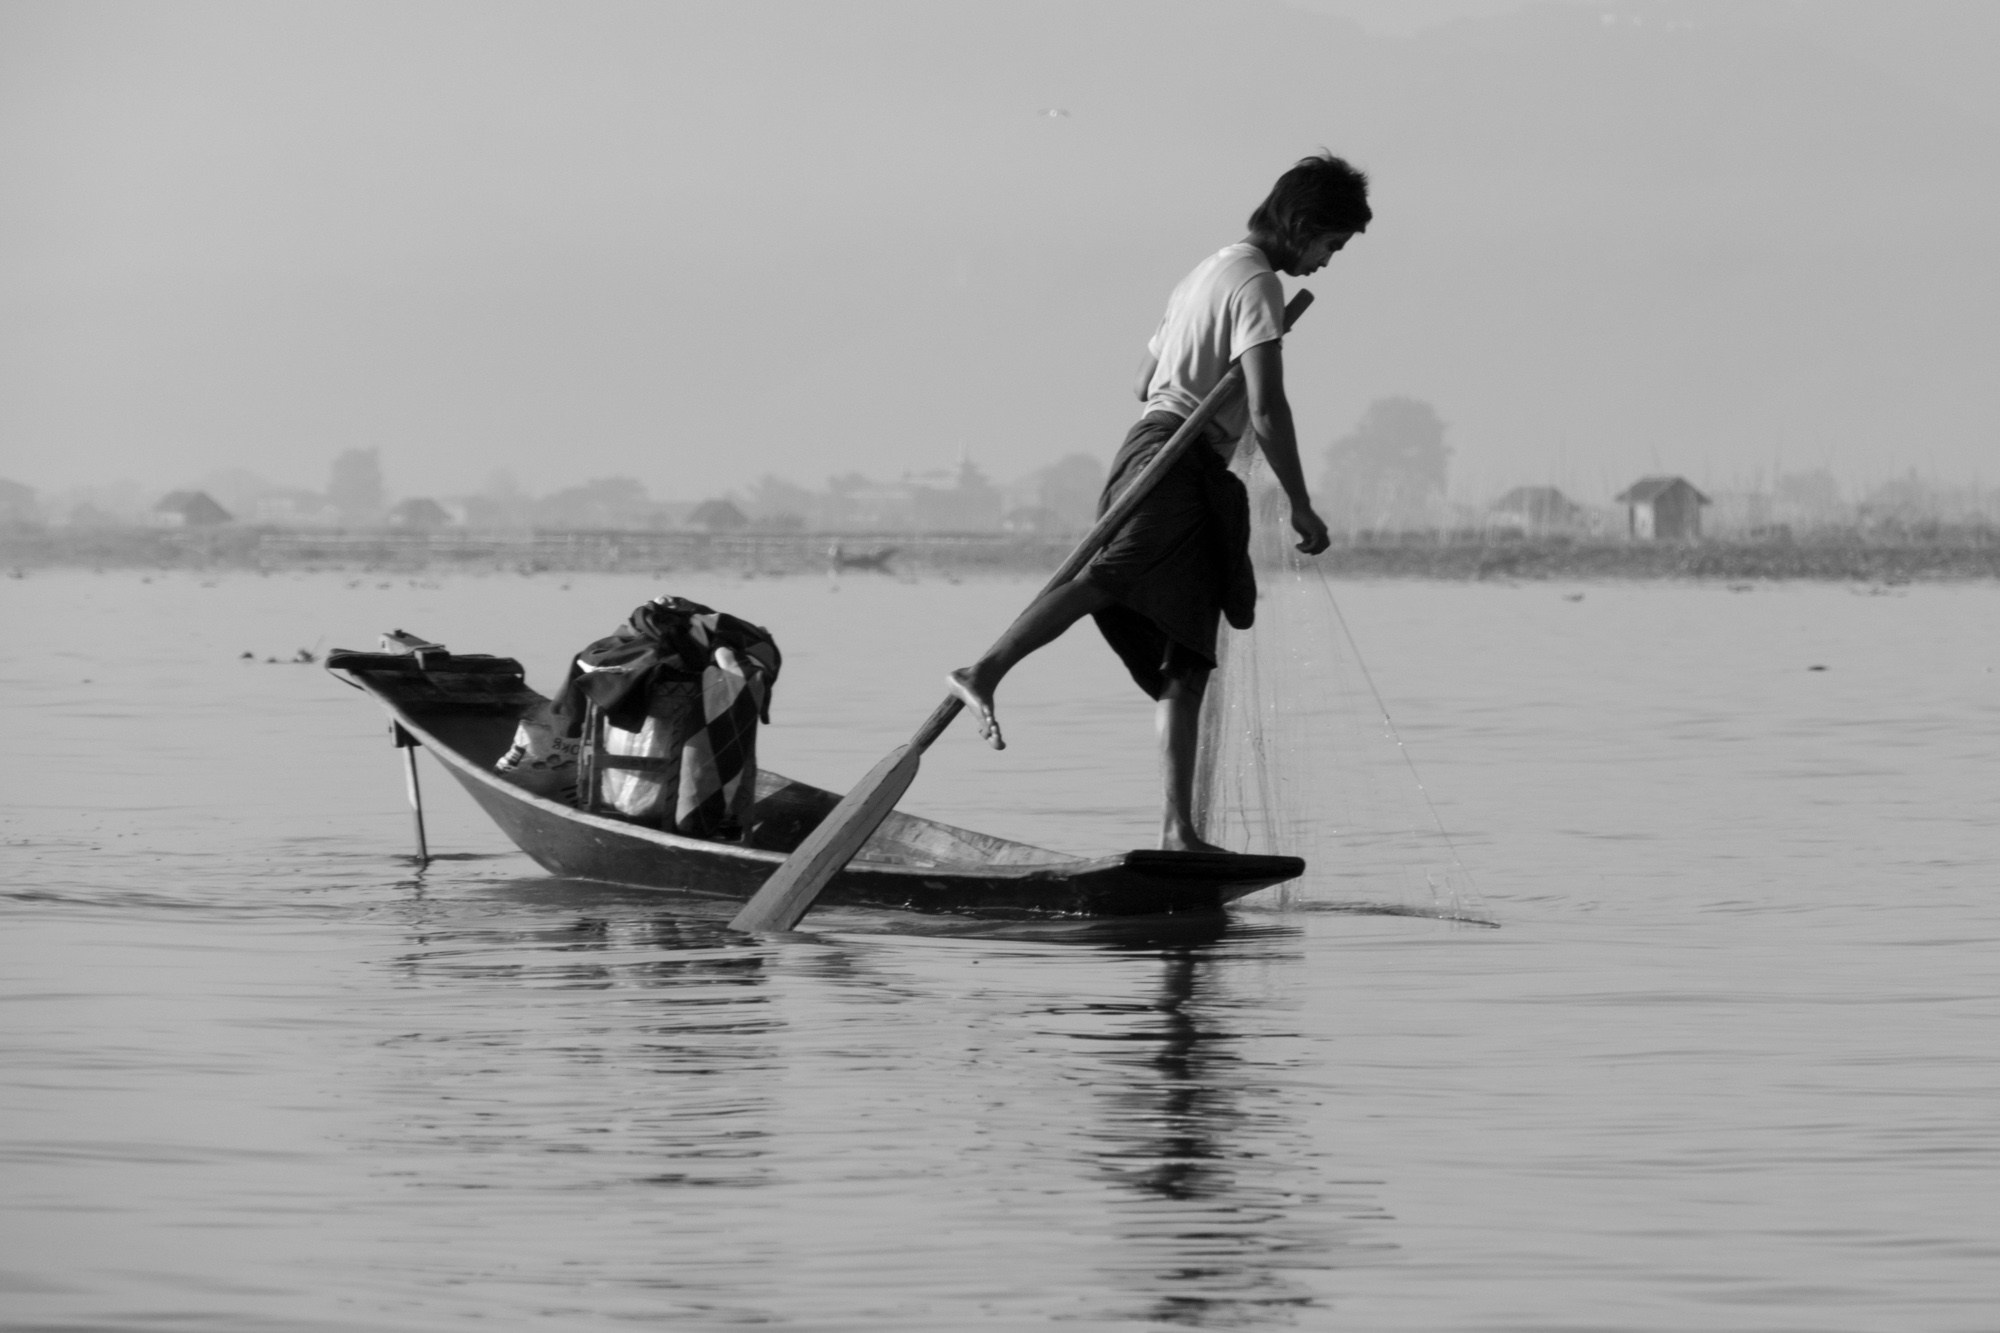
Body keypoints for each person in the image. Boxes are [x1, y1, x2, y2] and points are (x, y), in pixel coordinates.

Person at [946, 152, 1371, 852]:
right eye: (1331, 245)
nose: (1327, 261)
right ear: (1302, 227)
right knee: (1109, 576)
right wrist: (1300, 503)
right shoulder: (1256, 284)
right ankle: (983, 669)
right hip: (1170, 458)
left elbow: (1144, 378)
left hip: (1170, 448)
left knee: (1187, 657)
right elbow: (1266, 409)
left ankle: (1180, 831)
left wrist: (1215, 358)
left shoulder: (1204, 274)